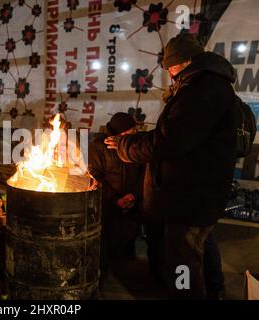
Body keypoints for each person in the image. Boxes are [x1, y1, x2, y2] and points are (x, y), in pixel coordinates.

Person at [105, 33, 237, 299]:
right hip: (193, 196)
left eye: (172, 67)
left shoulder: (202, 90)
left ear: (187, 61)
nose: (171, 73)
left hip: (189, 199)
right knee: (188, 258)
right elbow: (171, 133)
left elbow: (168, 141)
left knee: (182, 265)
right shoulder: (204, 85)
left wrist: (126, 148)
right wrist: (133, 140)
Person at [88, 113, 143, 289]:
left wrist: (134, 195)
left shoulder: (136, 146)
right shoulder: (98, 148)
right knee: (104, 247)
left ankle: (127, 276)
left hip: (131, 205)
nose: (133, 134)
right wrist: (115, 200)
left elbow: (143, 174)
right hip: (108, 208)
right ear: (119, 133)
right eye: (129, 131)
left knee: (126, 242)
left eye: (134, 131)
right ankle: (100, 283)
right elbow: (95, 177)